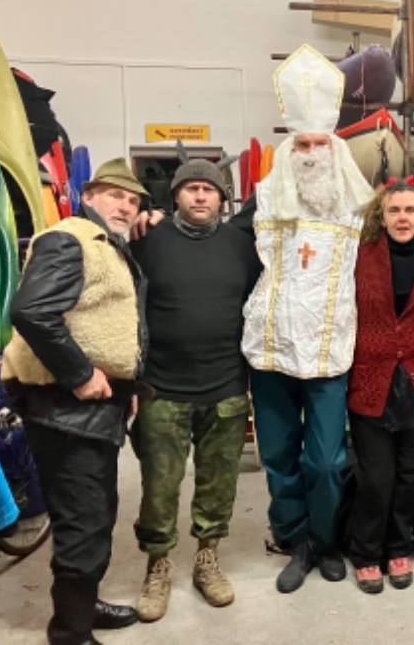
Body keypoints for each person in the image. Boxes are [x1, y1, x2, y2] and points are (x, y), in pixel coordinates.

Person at [240, 45, 374, 593]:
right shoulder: (263, 199)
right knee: (278, 456)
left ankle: (325, 538)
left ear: (335, 147)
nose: (312, 152)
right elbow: (226, 252)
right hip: (271, 349)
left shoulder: (359, 206)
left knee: (324, 460)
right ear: (289, 149)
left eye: (321, 143)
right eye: (303, 144)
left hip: (328, 351)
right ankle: (294, 539)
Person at [2, 158, 150, 645]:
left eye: (133, 200)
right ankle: (70, 632)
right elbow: (32, 311)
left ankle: (83, 606)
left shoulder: (107, 243)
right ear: (87, 197)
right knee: (84, 521)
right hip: (64, 405)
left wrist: (125, 389)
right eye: (115, 195)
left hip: (93, 405)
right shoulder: (69, 238)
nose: (125, 206)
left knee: (96, 513)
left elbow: (104, 323)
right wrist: (81, 375)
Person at [129, 159, 260, 621]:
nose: (201, 195)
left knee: (218, 483)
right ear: (175, 196)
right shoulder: (147, 239)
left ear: (223, 198)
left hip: (226, 385)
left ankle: (208, 559)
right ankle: (157, 566)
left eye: (209, 188)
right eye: (191, 188)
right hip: (161, 388)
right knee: (159, 485)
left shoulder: (242, 246)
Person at [346, 177, 414, 594]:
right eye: (394, 210)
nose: (402, 218)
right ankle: (366, 552)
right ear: (381, 216)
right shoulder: (360, 252)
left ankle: (398, 547)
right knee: (376, 475)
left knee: (410, 471)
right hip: (371, 374)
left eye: (410, 210)